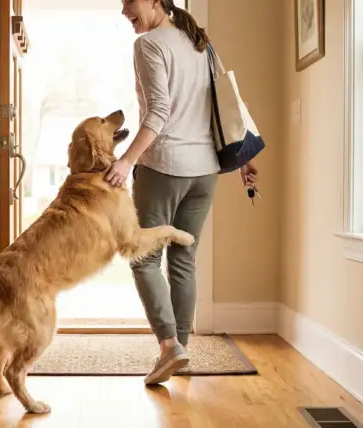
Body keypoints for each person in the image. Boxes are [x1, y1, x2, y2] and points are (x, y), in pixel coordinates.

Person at [106, 0, 259, 385]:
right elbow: (230, 104)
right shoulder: (200, 42)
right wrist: (244, 160)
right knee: (183, 259)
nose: (124, 11)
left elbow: (158, 112)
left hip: (165, 167)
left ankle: (170, 347)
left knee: (143, 257)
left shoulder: (149, 44)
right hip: (205, 171)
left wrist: (125, 161)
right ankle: (181, 351)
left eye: (129, 2)